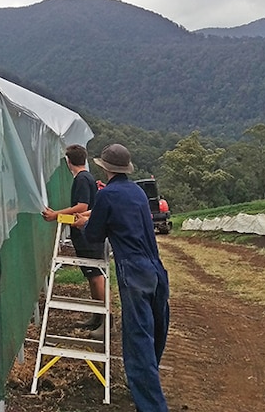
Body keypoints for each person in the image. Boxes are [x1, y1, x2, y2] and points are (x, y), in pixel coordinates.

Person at [74, 144, 170, 411]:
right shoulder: (138, 192)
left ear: (105, 168)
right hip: (156, 268)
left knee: (138, 337)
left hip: (133, 269)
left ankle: (152, 404)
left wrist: (83, 223)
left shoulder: (107, 196)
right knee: (156, 331)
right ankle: (146, 381)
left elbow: (94, 234)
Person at [42, 144, 106, 339]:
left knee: (96, 275)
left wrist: (56, 215)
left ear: (69, 162)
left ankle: (105, 319)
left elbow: (82, 206)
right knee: (92, 275)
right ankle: (97, 316)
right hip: (86, 233)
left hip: (87, 235)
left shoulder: (81, 179)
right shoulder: (85, 178)